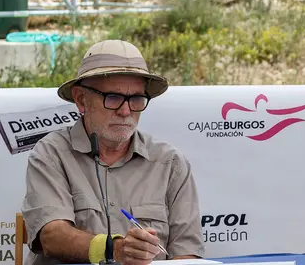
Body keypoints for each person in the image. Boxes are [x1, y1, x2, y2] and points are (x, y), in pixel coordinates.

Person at [21, 40, 204, 265]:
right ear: (81, 99)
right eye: (114, 98)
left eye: (136, 98)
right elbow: (52, 236)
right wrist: (113, 249)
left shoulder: (170, 164)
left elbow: (186, 254)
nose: (126, 111)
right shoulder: (51, 154)